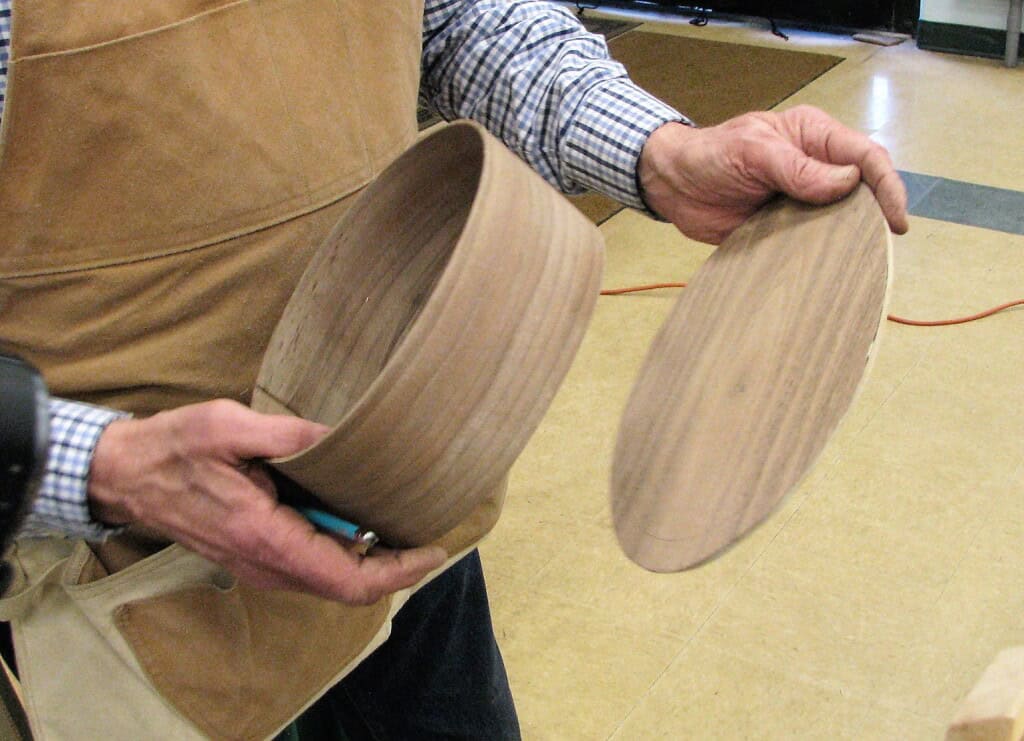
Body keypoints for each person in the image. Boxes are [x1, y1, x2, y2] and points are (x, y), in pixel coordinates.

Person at [0, 0, 908, 738]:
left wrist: (658, 151)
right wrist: (106, 468)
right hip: (114, 588)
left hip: (395, 485)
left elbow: (455, 18)